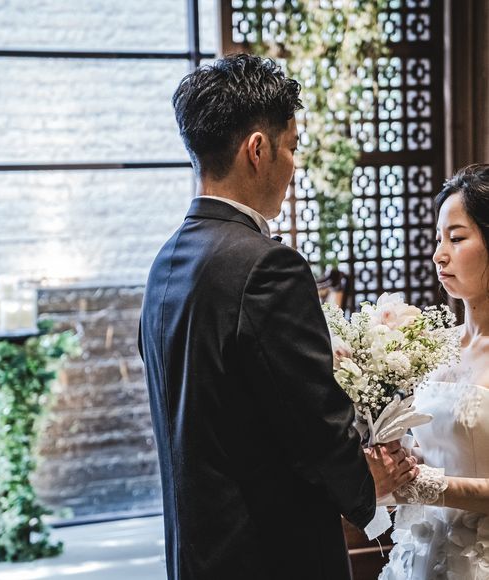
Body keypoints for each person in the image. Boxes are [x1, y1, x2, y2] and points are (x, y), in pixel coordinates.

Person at [138, 53, 416, 580]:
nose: (293, 165)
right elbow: (309, 418)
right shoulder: (267, 266)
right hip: (268, 554)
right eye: (291, 147)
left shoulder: (166, 263)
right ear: (257, 150)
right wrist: (365, 483)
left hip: (196, 555)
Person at [380, 163, 489, 579]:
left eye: (456, 238)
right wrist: (399, 460)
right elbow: (436, 447)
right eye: (437, 239)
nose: (439, 254)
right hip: (425, 550)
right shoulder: (437, 345)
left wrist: (430, 486)